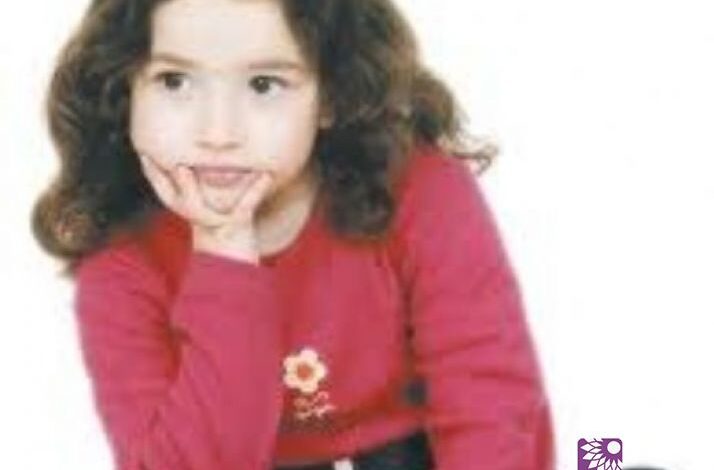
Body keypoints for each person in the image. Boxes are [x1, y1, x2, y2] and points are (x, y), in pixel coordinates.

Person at [31, 0, 554, 469]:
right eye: (174, 81)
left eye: (264, 85)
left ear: (330, 96)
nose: (217, 133)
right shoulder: (120, 260)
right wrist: (223, 249)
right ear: (124, 91)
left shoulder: (423, 189)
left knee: (588, 457)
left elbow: (491, 401)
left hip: (414, 453)